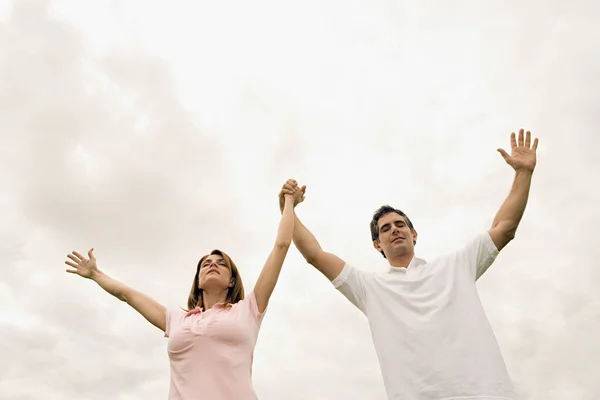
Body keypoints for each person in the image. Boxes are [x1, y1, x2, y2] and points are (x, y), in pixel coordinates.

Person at [280, 129, 538, 400]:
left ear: (414, 234)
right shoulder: (370, 288)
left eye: (400, 224)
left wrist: (523, 173)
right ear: (377, 244)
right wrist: (288, 210)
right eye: (386, 228)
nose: (395, 230)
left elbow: (505, 228)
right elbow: (315, 255)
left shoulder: (457, 265)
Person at [65, 179, 302, 400]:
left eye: (221, 264)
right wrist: (96, 274)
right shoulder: (177, 320)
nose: (212, 265)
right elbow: (127, 295)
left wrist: (289, 203)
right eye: (206, 264)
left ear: (231, 280)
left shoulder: (249, 309)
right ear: (198, 280)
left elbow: (281, 246)